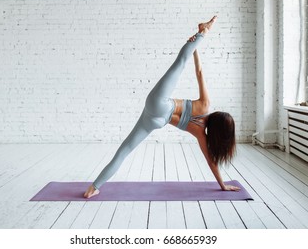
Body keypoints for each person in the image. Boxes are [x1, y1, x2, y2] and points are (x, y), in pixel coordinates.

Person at [84, 16, 240, 198]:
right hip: (156, 121)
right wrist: (222, 185)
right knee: (124, 150)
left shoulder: (205, 105)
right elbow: (211, 161)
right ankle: (93, 189)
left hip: (159, 103)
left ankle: (203, 31)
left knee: (179, 64)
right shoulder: (200, 134)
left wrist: (195, 44)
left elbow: (198, 72)